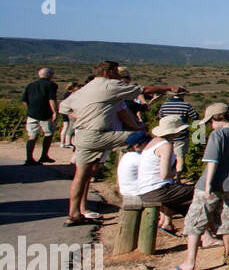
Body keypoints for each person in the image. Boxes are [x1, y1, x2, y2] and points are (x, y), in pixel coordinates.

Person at [59, 61, 182, 226]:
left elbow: (64, 107)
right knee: (145, 139)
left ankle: (73, 213)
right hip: (99, 134)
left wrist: (82, 118)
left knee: (81, 175)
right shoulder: (110, 85)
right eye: (117, 72)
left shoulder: (86, 88)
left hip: (83, 135)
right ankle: (158, 182)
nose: (119, 76)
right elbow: (143, 90)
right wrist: (169, 88)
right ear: (108, 72)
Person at [170, 103, 229, 270]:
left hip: (212, 184)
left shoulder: (217, 135)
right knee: (227, 219)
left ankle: (190, 262)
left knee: (195, 220)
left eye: (211, 121)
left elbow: (213, 162)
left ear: (217, 118)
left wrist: (207, 187)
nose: (210, 125)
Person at [20, 67, 58, 165]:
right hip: (45, 114)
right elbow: (51, 99)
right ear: (49, 74)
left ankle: (29, 158)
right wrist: (55, 112)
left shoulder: (30, 85)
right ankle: (44, 155)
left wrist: (30, 109)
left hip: (32, 114)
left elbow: (24, 100)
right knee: (48, 134)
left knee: (32, 136)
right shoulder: (52, 85)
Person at [157, 88, 198, 175]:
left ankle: (167, 174)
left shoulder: (164, 105)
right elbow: (195, 117)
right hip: (181, 135)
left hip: (166, 134)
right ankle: (178, 178)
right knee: (179, 157)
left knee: (166, 156)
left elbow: (160, 118)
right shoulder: (186, 105)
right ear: (182, 95)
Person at [58, 80, 81, 148]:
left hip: (66, 111)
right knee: (69, 127)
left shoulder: (67, 94)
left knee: (66, 127)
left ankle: (63, 142)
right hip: (71, 112)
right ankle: (67, 142)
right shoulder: (71, 95)